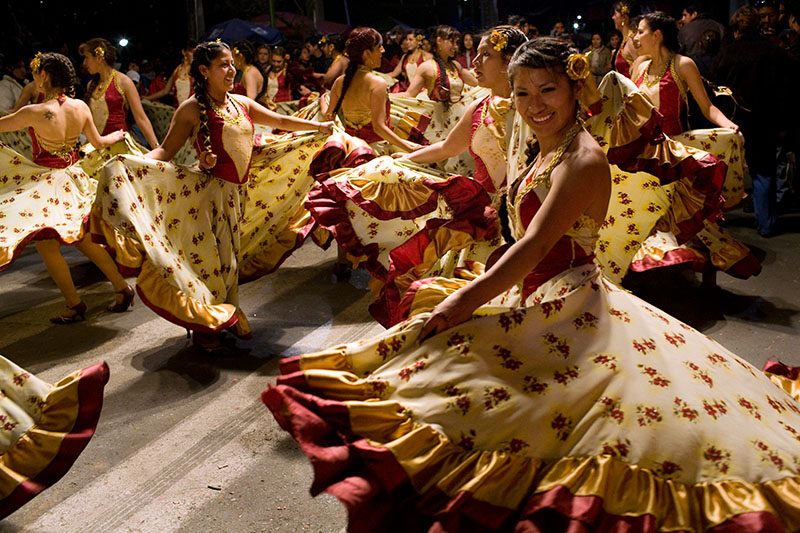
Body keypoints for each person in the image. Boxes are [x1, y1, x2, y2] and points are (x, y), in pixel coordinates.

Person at [264, 37, 800, 531]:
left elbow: (537, 245)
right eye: (522, 92)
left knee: (559, 431)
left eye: (547, 90)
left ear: (574, 89)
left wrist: (461, 300)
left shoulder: (583, 157)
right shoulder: (545, 143)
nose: (533, 103)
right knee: (507, 415)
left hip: (569, 303)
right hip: (535, 296)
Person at [95, 41, 333, 350]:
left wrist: (319, 126)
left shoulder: (241, 104)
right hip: (207, 200)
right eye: (224, 64)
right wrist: (131, 167)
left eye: (232, 63)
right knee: (211, 264)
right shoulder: (191, 109)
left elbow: (282, 122)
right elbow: (166, 150)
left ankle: (220, 319)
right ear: (205, 71)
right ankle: (208, 328)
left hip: (237, 197)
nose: (232, 69)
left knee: (228, 264)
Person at [308, 26, 527, 324]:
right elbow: (447, 148)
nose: (474, 62)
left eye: (484, 55)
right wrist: (405, 157)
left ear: (511, 61)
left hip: (527, 215)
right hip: (481, 215)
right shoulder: (478, 107)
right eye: (474, 53)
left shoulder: (535, 107)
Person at [0, 52, 134, 323]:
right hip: (75, 179)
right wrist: (116, 136)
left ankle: (74, 304)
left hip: (49, 185)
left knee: (48, 247)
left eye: (36, 73)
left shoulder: (36, 111)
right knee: (83, 240)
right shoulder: (80, 107)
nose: (34, 78)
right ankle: (121, 287)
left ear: (45, 76)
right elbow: (97, 142)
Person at [630, 12, 758, 280]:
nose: (636, 36)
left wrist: (728, 126)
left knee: (686, 216)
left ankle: (701, 268)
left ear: (657, 35)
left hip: (673, 153)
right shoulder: (639, 67)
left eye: (640, 31)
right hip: (642, 153)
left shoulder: (682, 64)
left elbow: (708, 106)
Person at [713, 5, 792, 237]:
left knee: (725, 172)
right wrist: (784, 123)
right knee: (763, 172)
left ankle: (719, 222)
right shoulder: (774, 52)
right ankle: (766, 224)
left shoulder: (727, 54)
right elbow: (785, 91)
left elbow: (716, 88)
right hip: (765, 120)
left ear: (736, 28)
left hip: (732, 121)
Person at [322, 27, 420, 152]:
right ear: (367, 53)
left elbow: (328, 117)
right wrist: (411, 149)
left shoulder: (339, 82)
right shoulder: (377, 83)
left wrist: (323, 101)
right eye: (379, 47)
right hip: (374, 151)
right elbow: (379, 128)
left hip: (350, 151)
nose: (383, 51)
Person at [79, 38, 159, 149]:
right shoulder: (91, 85)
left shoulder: (124, 82)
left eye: (87, 58)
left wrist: (157, 148)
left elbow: (141, 118)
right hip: (96, 147)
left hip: (119, 148)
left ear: (99, 58)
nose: (84, 63)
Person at [398, 25, 479, 103]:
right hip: (439, 115)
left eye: (456, 42)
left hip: (459, 113)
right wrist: (387, 95)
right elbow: (409, 94)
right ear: (439, 41)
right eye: (452, 42)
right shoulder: (426, 67)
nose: (455, 46)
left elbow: (477, 83)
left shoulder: (456, 66)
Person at [144, 40, 196, 107]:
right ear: (184, 52)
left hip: (194, 109)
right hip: (179, 109)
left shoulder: (198, 69)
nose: (194, 55)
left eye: (196, 52)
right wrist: (147, 98)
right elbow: (165, 91)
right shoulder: (176, 70)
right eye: (191, 52)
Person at [611, 0, 641, 78]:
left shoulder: (632, 41)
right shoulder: (625, 40)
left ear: (624, 18)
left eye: (615, 14)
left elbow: (641, 71)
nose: (613, 17)